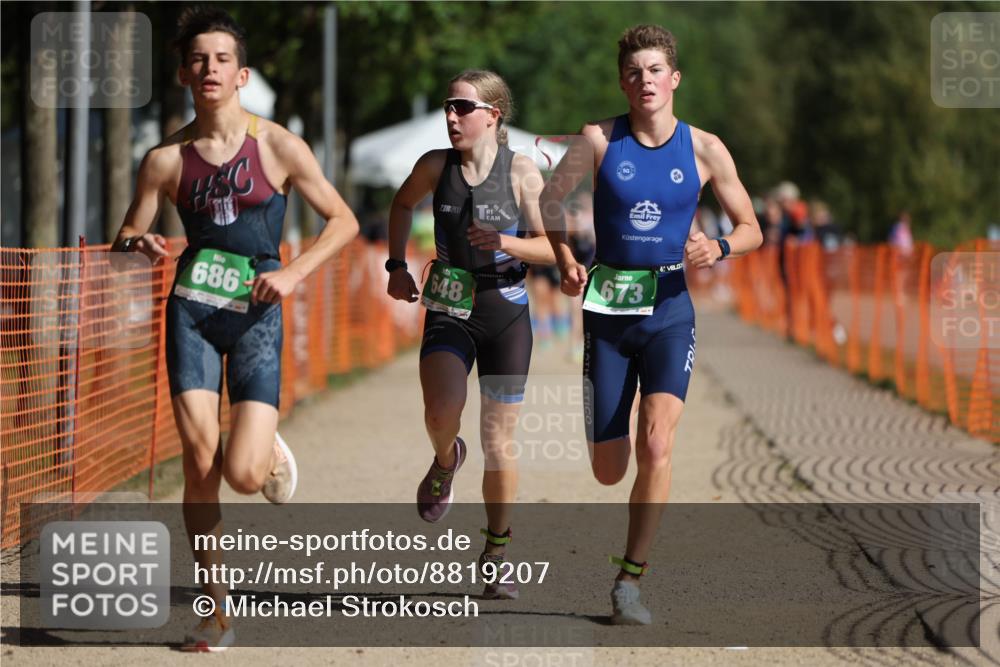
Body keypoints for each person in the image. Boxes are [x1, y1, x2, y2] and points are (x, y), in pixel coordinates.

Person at [111, 7, 359, 651]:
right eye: (198, 59)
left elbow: (343, 222)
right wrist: (140, 246)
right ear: (184, 73)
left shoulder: (277, 145)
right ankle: (215, 607)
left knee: (244, 476)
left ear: (241, 73)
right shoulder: (164, 159)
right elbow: (129, 231)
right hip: (191, 310)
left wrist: (295, 272)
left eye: (222, 59)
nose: (209, 69)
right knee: (198, 463)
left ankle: (267, 450)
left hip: (256, 315)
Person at [540, 24, 762, 624]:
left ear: (674, 78)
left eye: (656, 70)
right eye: (635, 72)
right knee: (609, 469)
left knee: (658, 442)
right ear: (623, 81)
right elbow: (550, 200)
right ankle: (605, 435)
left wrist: (718, 247)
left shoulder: (705, 149)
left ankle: (629, 581)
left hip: (669, 310)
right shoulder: (598, 139)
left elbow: (752, 228)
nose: (646, 81)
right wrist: (564, 256)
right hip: (608, 311)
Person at [386, 70, 555, 600]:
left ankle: (496, 554)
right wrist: (395, 265)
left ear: (492, 115)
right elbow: (399, 205)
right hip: (449, 306)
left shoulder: (523, 172)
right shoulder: (435, 166)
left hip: (505, 311)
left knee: (498, 442)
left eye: (463, 107)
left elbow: (552, 249)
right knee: (441, 413)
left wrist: (507, 239)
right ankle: (444, 460)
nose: (452, 116)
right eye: (448, 106)